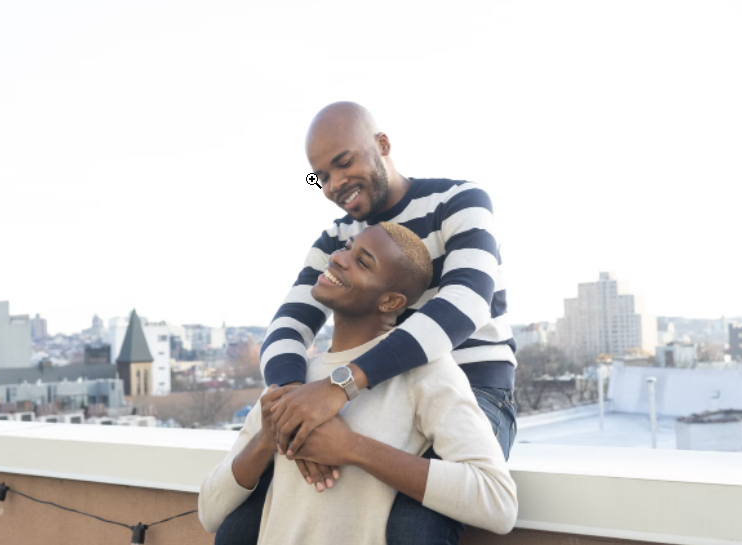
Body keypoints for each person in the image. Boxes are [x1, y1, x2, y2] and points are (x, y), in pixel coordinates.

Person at [221, 101, 518, 544]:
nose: (333, 185)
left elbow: (465, 301)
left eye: (344, 162)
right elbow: (287, 327)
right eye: (320, 176)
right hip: (374, 393)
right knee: (242, 524)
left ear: (382, 145)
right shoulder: (334, 240)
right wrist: (291, 409)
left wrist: (337, 387)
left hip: (473, 395)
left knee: (412, 528)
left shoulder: (459, 200)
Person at [198, 223, 518, 545]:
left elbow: (497, 502)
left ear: (391, 302)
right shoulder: (295, 378)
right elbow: (209, 513)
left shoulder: (425, 372)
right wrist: (267, 438)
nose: (338, 258)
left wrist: (352, 448)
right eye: (348, 247)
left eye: (363, 261)